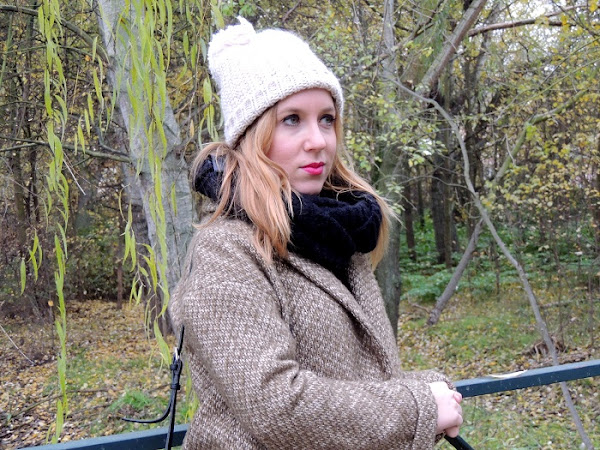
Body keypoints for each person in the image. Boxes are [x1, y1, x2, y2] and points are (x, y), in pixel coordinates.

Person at [169, 17, 463, 449]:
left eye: (327, 119)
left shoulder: (339, 234)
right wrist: (418, 406)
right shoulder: (226, 250)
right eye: (292, 119)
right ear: (252, 135)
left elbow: (356, 377)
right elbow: (276, 406)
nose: (318, 140)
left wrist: (429, 392)